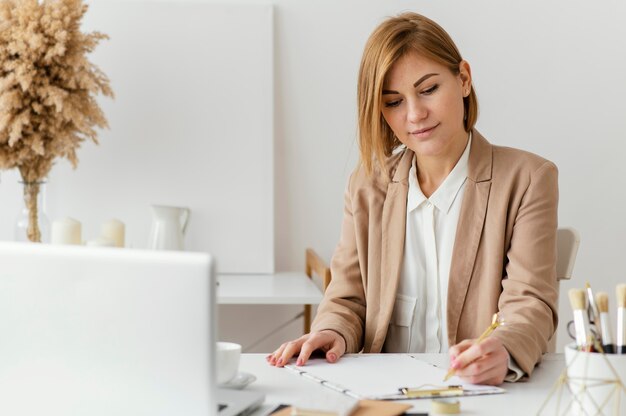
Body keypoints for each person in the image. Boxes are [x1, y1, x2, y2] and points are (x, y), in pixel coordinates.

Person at [268, 12, 558, 385]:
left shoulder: (528, 178)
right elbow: (346, 300)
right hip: (386, 396)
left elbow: (529, 304)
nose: (415, 114)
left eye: (428, 89)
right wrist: (333, 333)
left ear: (464, 79)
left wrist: (503, 349)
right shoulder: (366, 187)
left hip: (480, 395)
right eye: (394, 102)